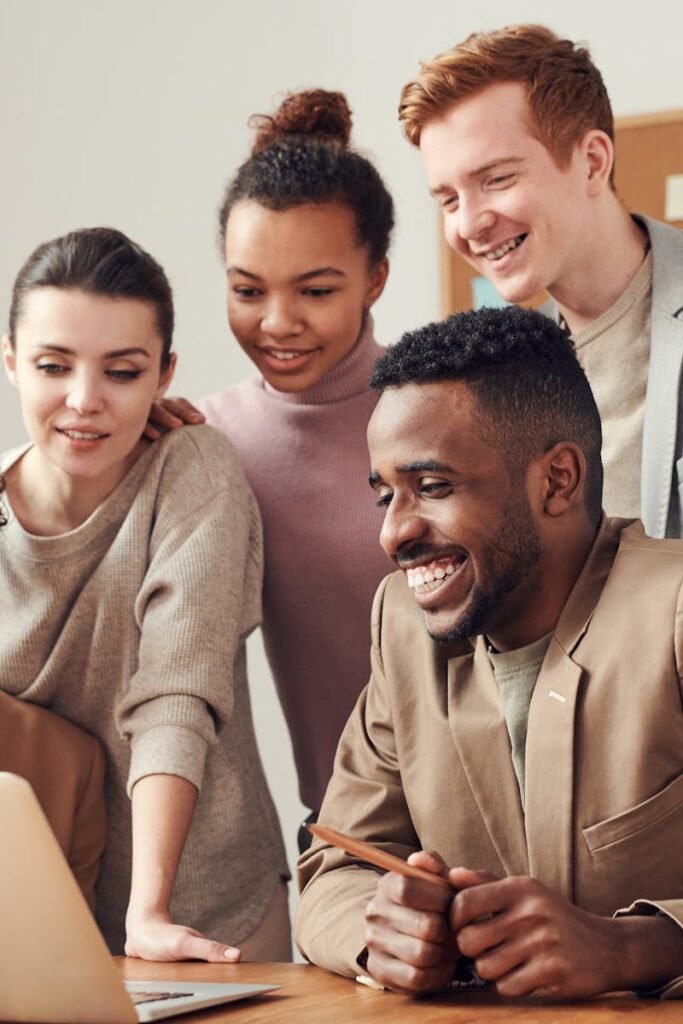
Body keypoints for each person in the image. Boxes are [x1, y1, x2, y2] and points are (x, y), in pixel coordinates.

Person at [296, 306, 683, 1000]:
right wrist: (379, 930)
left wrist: (632, 946)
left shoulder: (673, 609)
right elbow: (334, 864)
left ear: (556, 481)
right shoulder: (402, 626)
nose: (392, 533)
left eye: (432, 488)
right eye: (385, 495)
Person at [0, 227, 289, 960]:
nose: (84, 400)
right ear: (10, 365)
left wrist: (149, 915)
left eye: (122, 373)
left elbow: (175, 690)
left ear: (165, 375)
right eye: (52, 366)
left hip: (204, 916)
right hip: (33, 931)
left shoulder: (190, 468)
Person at [153, 90, 395, 846]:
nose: (277, 323)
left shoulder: (446, 407)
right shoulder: (205, 439)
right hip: (345, 837)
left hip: (507, 820)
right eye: (247, 290)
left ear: (375, 279)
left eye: (316, 291)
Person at [398, 23, 683, 539]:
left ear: (592, 163)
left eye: (497, 179)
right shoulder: (509, 373)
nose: (468, 224)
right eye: (448, 199)